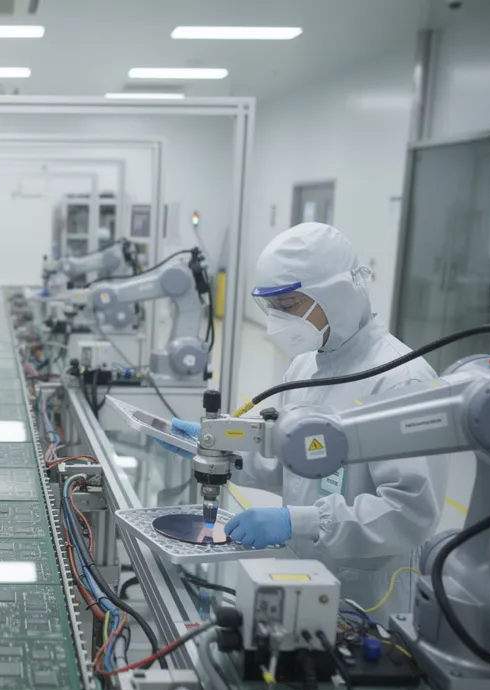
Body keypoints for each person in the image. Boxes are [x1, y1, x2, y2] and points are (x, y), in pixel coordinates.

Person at [164, 223, 446, 621]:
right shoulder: (306, 365)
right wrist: (223, 455)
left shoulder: (403, 380)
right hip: (299, 577)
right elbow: (292, 466)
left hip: (368, 596)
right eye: (271, 307)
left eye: (289, 305)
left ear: (335, 296)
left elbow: (409, 513)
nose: (277, 321)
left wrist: (296, 520)